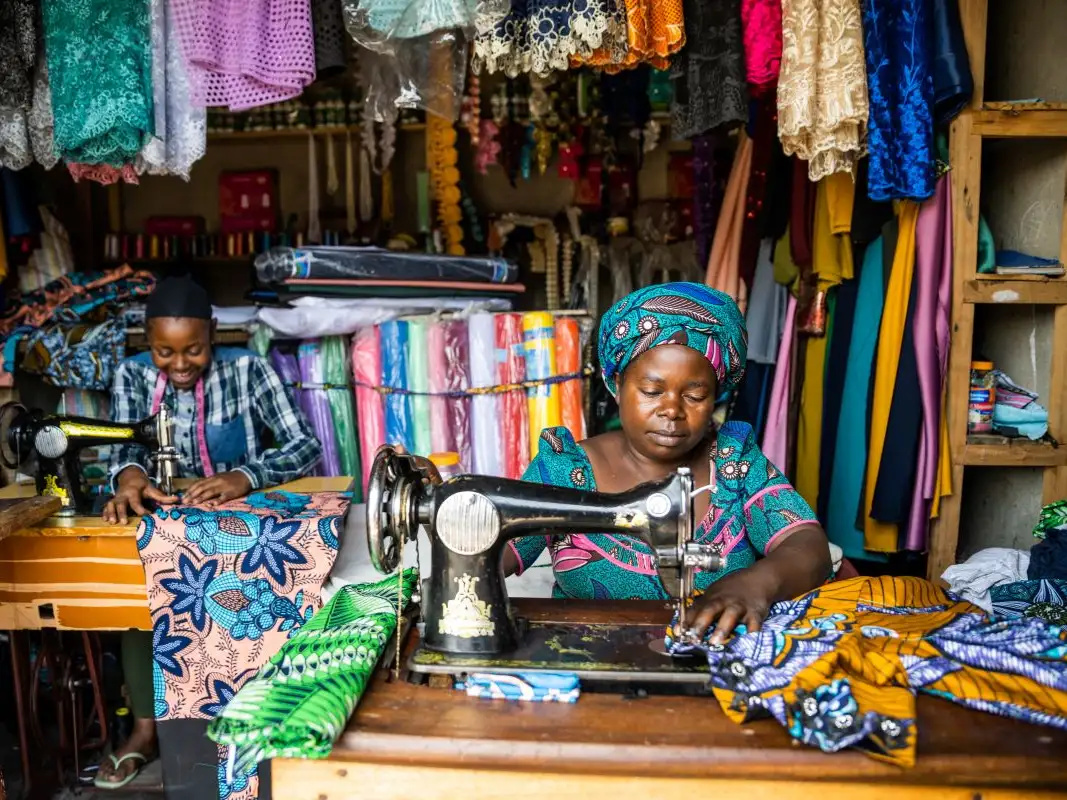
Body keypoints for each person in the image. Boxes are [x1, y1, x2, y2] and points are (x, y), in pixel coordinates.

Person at [504, 282, 832, 645]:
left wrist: (756, 584)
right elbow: (490, 552)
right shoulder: (564, 469)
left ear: (715, 396)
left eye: (695, 395)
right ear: (617, 384)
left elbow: (808, 544)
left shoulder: (734, 462)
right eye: (652, 391)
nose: (672, 410)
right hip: (582, 659)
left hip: (714, 656)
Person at [95, 275, 322, 789]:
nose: (179, 364)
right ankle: (147, 729)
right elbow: (121, 451)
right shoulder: (132, 376)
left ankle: (243, 725)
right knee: (138, 597)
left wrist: (245, 476)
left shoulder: (248, 370)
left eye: (193, 350)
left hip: (237, 532)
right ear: (147, 342)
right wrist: (130, 476)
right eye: (164, 352)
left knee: (248, 605)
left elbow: (304, 444)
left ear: (213, 334)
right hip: (165, 525)